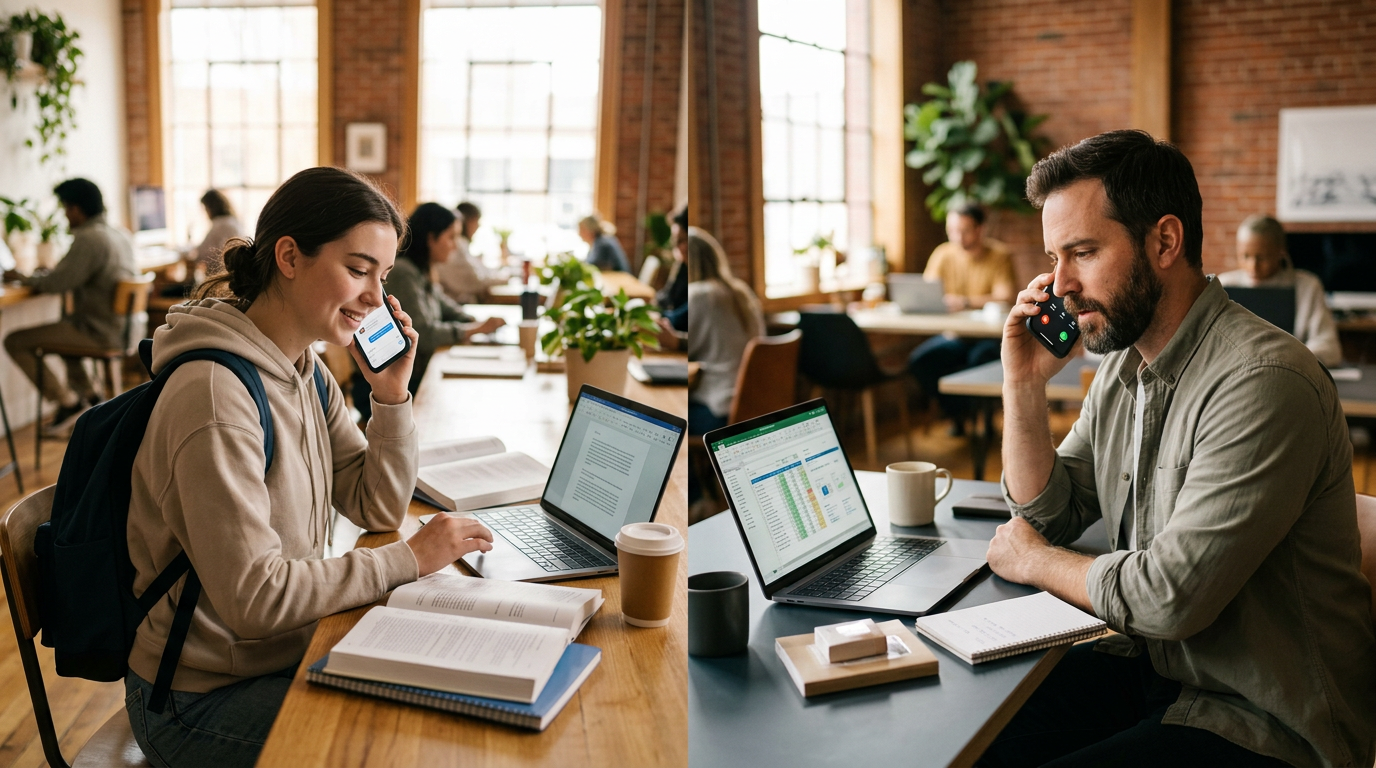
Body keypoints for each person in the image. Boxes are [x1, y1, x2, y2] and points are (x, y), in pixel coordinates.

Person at [981, 130, 1376, 768]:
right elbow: (1050, 514)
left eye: (1081, 252)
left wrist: (1036, 562)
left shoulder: (1263, 382)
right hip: (1155, 672)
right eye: (1054, 258)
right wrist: (1021, 385)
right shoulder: (1121, 365)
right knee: (979, 737)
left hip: (1262, 722)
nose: (1061, 286)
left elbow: (1167, 598)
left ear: (1165, 241)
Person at [123, 167, 494, 767]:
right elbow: (254, 598)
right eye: (357, 270)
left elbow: (375, 505)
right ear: (289, 257)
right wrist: (407, 558)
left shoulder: (304, 369)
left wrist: (391, 397)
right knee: (411, 746)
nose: (375, 298)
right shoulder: (216, 396)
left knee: (450, 705)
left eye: (383, 275)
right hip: (197, 701)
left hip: (277, 655)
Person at [352, 202, 505, 421]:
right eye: (451, 237)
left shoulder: (422, 270)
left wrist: (473, 321)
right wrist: (474, 329)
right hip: (389, 386)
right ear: (431, 238)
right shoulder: (404, 273)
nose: (455, 246)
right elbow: (423, 333)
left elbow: (444, 306)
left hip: (411, 377)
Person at [3, 178, 136, 431]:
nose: (64, 215)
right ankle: (91, 397)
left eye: (65, 208)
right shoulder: (118, 234)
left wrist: (21, 276)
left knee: (14, 340)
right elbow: (67, 276)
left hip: (101, 333)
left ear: (75, 208)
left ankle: (69, 401)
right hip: (125, 330)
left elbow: (57, 283)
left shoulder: (89, 238)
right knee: (65, 326)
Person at [906, 202, 1017, 433]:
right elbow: (927, 292)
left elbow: (1005, 297)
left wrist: (963, 302)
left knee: (978, 361)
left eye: (964, 230)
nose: (957, 237)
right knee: (920, 361)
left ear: (980, 229)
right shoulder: (943, 253)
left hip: (987, 337)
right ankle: (958, 413)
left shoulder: (999, 255)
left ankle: (976, 417)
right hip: (953, 335)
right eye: (952, 231)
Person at [1217, 213, 1341, 367]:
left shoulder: (1307, 286)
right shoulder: (1223, 285)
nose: (1252, 267)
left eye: (1261, 258)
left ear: (1280, 252)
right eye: (1245, 256)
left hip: (1291, 374)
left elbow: (1329, 348)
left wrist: (1282, 360)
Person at [433, 201, 509, 304]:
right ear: (430, 238)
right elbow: (476, 280)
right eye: (451, 237)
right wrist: (506, 277)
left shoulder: (460, 244)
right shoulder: (457, 247)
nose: (478, 226)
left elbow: (479, 273)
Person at [184, 189, 244, 276]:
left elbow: (201, 255)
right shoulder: (233, 221)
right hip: (235, 275)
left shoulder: (220, 225)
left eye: (205, 209)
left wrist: (186, 250)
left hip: (221, 277)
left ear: (211, 208)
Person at [655, 206, 689, 329]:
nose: (676, 248)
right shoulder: (682, 266)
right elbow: (666, 296)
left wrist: (659, 316)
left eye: (680, 241)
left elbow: (683, 319)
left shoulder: (698, 272)